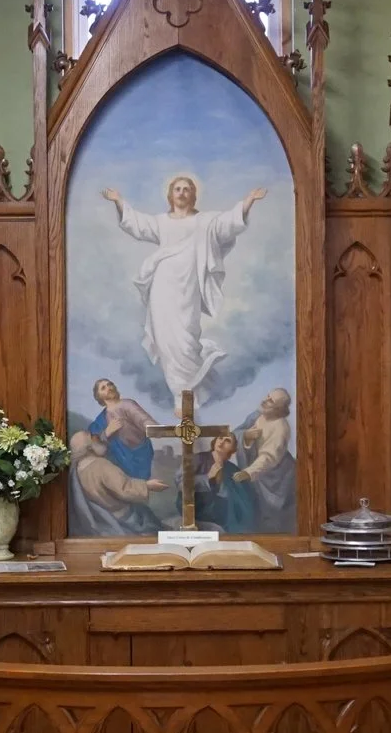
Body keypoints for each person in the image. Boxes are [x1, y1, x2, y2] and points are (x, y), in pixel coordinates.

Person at [99, 174, 268, 399]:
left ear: (193, 195)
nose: (181, 192)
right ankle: (180, 393)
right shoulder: (162, 221)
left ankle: (190, 389)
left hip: (189, 285)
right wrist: (119, 201)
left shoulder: (205, 221)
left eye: (187, 189)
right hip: (163, 284)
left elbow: (227, 224)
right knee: (164, 337)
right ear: (170, 195)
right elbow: (138, 224)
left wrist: (248, 201)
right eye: (177, 189)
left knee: (186, 336)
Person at [67, 430, 165, 537]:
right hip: (121, 517)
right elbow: (124, 489)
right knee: (150, 520)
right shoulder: (101, 465)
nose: (99, 439)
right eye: (93, 438)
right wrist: (147, 485)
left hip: (100, 518)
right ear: (89, 447)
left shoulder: (77, 469)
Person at [229, 387, 296, 528]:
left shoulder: (280, 428)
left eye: (270, 401)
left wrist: (248, 472)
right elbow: (235, 434)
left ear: (278, 409)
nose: (264, 400)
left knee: (272, 513)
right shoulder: (257, 415)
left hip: (277, 477)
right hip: (257, 471)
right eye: (267, 396)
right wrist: (245, 436)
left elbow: (269, 457)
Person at [85, 378, 156, 483]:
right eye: (103, 388)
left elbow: (144, 420)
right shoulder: (100, 420)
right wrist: (106, 433)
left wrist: (157, 429)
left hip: (141, 453)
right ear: (98, 396)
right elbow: (95, 444)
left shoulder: (128, 404)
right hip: (119, 459)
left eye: (110, 384)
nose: (108, 388)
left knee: (140, 485)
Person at [194, 432, 253, 535]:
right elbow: (181, 482)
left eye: (228, 441)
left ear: (233, 448)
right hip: (199, 510)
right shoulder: (198, 458)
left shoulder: (233, 469)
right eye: (220, 438)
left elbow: (242, 499)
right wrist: (207, 477)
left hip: (225, 516)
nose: (222, 442)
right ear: (215, 440)